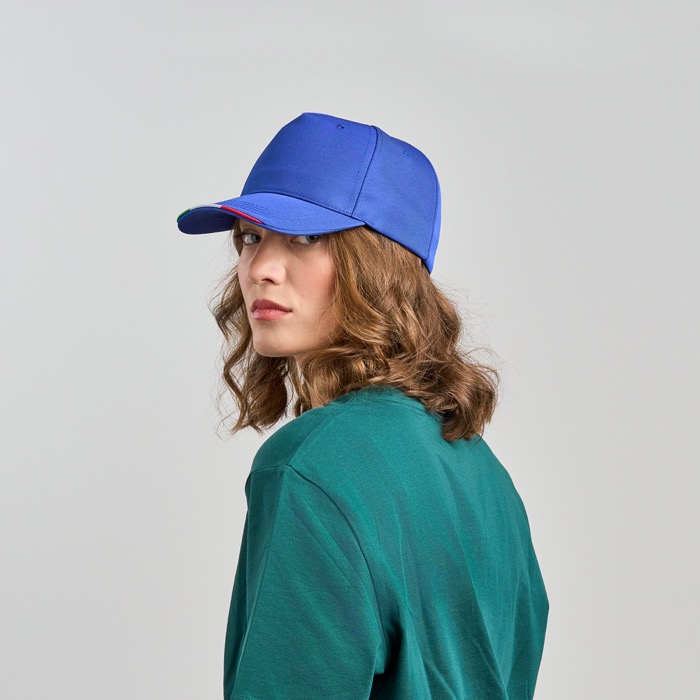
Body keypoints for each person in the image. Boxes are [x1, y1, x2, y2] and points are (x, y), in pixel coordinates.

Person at [177, 113, 549, 699]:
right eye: (250, 237)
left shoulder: (312, 465)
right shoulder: (486, 476)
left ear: (379, 266)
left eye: (305, 239)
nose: (259, 269)